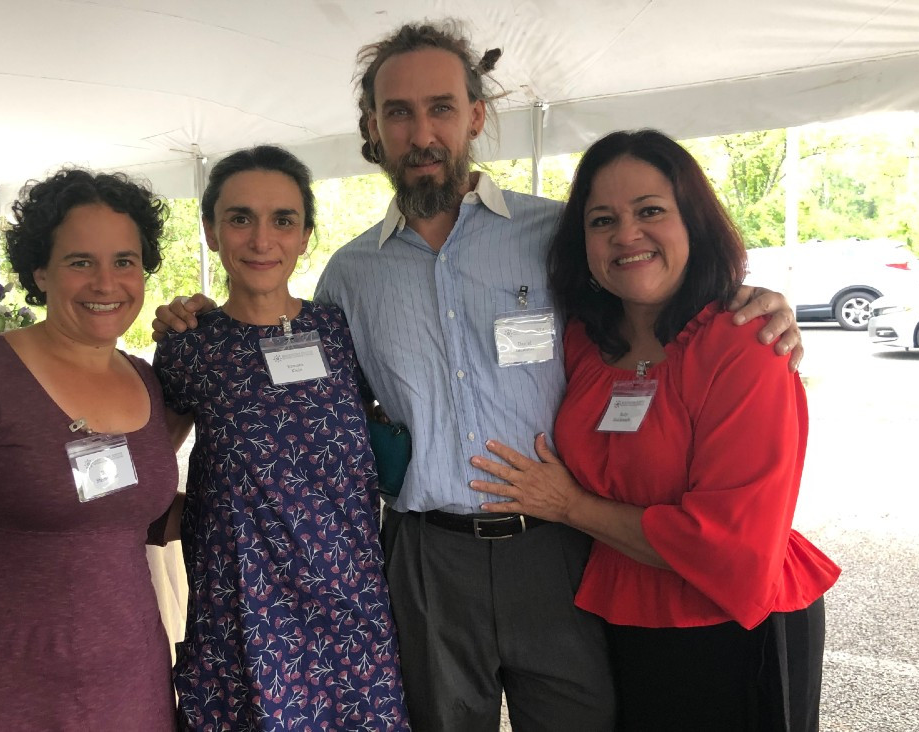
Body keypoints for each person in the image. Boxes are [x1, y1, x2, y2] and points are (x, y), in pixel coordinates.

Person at [153, 21, 803, 732]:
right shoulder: (350, 277)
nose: (421, 133)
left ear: (476, 116)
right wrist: (202, 324)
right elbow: (311, 395)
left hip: (559, 547)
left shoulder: (557, 236)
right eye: (398, 112)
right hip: (427, 559)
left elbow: (649, 304)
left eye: (441, 108)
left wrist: (748, 301)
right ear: (372, 128)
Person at [470, 129, 840, 731]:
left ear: (694, 222)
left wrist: (569, 505)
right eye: (602, 220)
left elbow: (729, 547)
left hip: (731, 626)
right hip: (617, 618)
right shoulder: (583, 344)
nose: (627, 235)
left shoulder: (745, 345)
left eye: (650, 211)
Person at [0, 168, 187, 731]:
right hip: (3, 690)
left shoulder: (146, 381)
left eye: (124, 261)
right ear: (40, 272)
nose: (106, 283)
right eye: (80, 262)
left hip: (135, 688)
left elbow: (121, 521)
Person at [154, 145, 409, 730]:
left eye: (283, 220)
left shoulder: (340, 330)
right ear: (211, 231)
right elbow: (150, 464)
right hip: (242, 612)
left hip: (349, 604)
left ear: (305, 235)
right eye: (240, 218)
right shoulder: (191, 345)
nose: (261, 239)